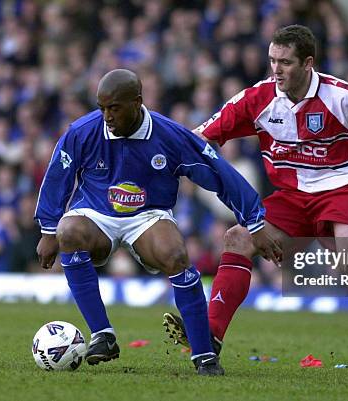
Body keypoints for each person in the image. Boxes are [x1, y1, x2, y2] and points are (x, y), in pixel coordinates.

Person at [162, 25, 348, 380]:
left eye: (285, 62)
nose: (276, 69)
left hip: (340, 190)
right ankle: (209, 337)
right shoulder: (256, 99)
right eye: (272, 60)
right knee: (237, 238)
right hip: (290, 199)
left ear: (308, 63)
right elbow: (200, 137)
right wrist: (163, 156)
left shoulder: (346, 98)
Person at [34, 69, 281, 376]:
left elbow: (219, 173)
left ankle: (205, 355)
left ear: (137, 102)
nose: (106, 116)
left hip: (148, 216)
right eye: (102, 108)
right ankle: (103, 335)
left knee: (175, 255)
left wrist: (254, 221)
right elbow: (58, 176)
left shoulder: (170, 136)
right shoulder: (82, 131)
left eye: (114, 108)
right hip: (95, 214)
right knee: (67, 231)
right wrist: (47, 229)